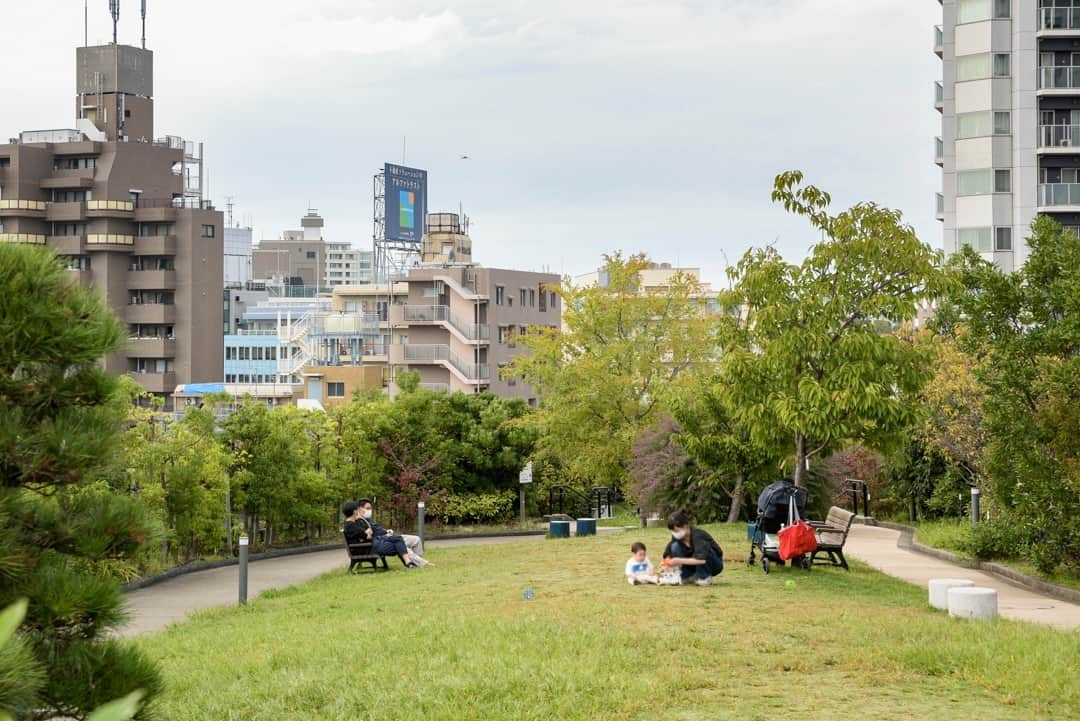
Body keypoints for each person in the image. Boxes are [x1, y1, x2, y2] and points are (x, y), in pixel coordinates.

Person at [342, 499, 416, 569]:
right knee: (397, 545)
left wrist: (367, 533)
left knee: (398, 539)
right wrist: (367, 533)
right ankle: (408, 564)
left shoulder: (352, 523)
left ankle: (408, 563)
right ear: (355, 511)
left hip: (371, 545)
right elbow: (367, 536)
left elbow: (367, 533)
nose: (359, 511)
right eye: (357, 509)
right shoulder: (351, 525)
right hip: (368, 548)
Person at [661, 511, 724, 586]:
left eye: (676, 530)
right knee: (675, 546)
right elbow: (669, 549)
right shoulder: (678, 537)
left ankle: (705, 577)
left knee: (704, 550)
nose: (674, 533)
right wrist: (667, 560)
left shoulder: (698, 535)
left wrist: (678, 560)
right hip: (694, 565)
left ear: (685, 526)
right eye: (673, 531)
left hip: (713, 564)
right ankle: (687, 576)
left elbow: (701, 560)